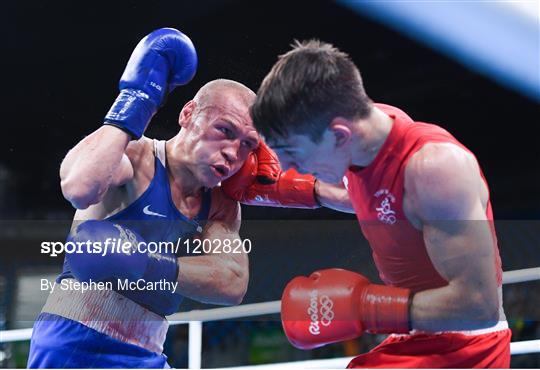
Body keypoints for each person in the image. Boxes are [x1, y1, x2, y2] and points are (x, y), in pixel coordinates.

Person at [224, 40, 511, 368]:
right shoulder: (371, 135)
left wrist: (365, 308)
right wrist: (283, 188)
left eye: (293, 152)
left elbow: (480, 306)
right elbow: (375, 200)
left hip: (466, 348)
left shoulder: (436, 169)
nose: (291, 166)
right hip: (419, 337)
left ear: (340, 134)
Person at [28, 27, 261, 368]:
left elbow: (232, 282)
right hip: (74, 338)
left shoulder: (222, 204)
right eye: (224, 131)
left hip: (147, 351)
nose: (232, 153)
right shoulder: (136, 158)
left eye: (247, 144)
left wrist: (147, 264)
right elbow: (78, 187)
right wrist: (136, 103)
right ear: (188, 114)